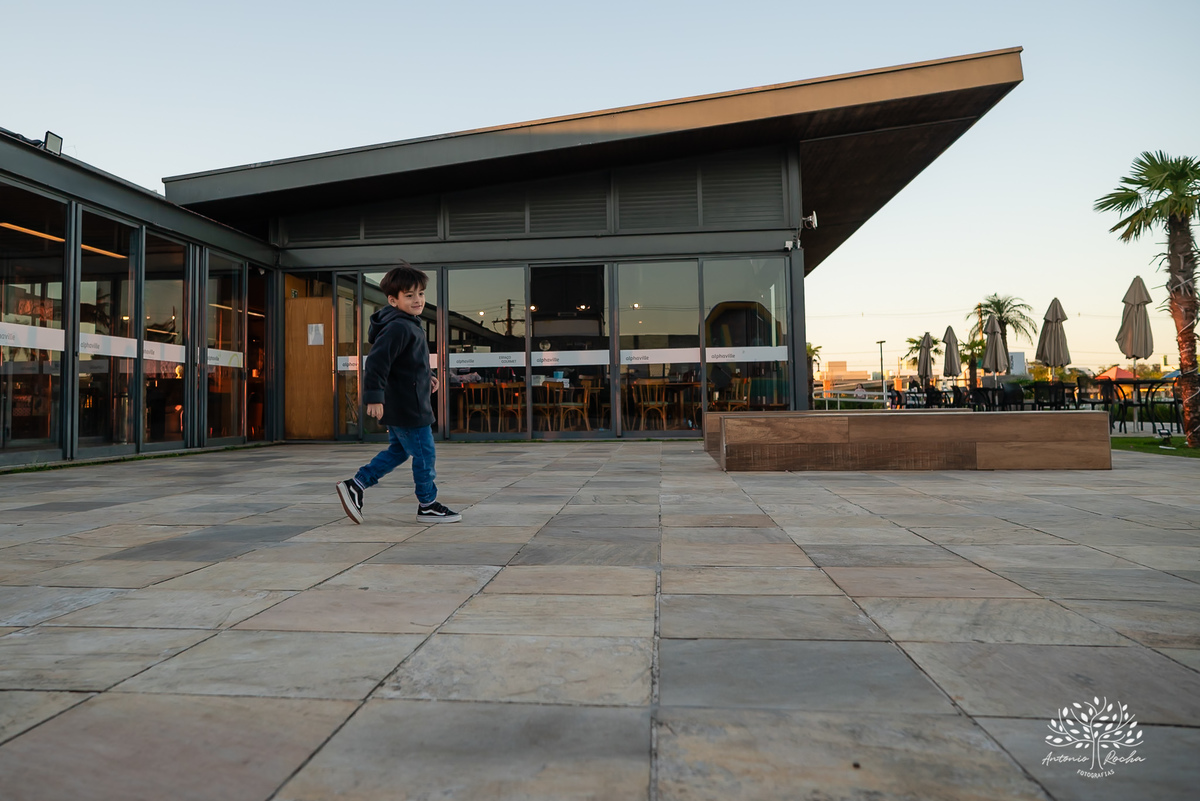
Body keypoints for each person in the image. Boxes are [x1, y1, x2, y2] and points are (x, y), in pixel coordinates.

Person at [336, 262, 461, 524]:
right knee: (425, 453)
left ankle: (356, 485)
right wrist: (373, 397)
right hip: (408, 406)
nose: (418, 300)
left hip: (409, 400)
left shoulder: (407, 323)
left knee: (399, 451)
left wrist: (428, 378)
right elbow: (377, 363)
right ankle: (427, 504)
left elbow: (406, 364)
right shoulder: (399, 327)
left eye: (421, 294)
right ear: (393, 300)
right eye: (409, 295)